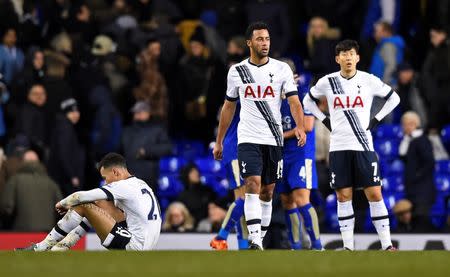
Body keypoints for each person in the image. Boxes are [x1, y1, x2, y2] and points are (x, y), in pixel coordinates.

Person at [213, 22, 307, 250]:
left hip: (273, 139)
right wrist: (220, 140)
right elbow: (228, 107)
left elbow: (294, 101)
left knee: (268, 191)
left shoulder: (282, 69)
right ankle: (255, 239)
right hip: (248, 138)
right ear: (249, 43)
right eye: (259, 39)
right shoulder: (237, 71)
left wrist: (300, 127)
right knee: (252, 184)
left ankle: (259, 238)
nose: (264, 43)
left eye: (267, 39)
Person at [303, 39, 400, 251]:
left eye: (351, 54)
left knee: (375, 194)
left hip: (364, 146)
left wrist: (375, 119)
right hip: (338, 148)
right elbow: (307, 101)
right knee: (343, 196)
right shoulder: (327, 82)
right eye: (344, 54)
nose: (348, 58)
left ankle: (387, 245)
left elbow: (394, 99)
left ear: (358, 57)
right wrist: (325, 119)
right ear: (337, 59)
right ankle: (348, 247)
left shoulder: (368, 80)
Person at [17, 153, 161, 251]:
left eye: (106, 177)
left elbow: (80, 196)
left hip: (134, 246)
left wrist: (63, 203)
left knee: (84, 205)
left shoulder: (123, 186)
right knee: (99, 204)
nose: (106, 182)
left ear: (116, 172)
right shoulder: (141, 184)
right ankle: (59, 249)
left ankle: (41, 248)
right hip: (147, 244)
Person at [277, 66, 323, 250]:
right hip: (281, 155)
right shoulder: (273, 99)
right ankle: (295, 246)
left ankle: (318, 245)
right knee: (287, 200)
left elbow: (308, 125)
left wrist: (280, 135)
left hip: (300, 153)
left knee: (301, 198)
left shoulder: (303, 95)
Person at [0, 150, 62, 231]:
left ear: (23, 162)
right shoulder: (51, 183)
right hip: (46, 234)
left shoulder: (15, 180)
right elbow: (62, 208)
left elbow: (6, 208)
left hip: (21, 232)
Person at [121, 101, 172, 191]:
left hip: (148, 175)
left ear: (147, 113)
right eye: (135, 113)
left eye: (140, 112)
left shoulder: (157, 129)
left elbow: (167, 148)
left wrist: (146, 151)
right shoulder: (127, 131)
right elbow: (120, 149)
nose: (137, 115)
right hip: (129, 175)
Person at [399, 111, 435, 228]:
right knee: (413, 219)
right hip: (412, 189)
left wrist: (416, 176)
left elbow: (429, 162)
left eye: (408, 124)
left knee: (421, 218)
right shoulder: (409, 140)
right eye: (404, 124)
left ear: (415, 124)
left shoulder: (422, 140)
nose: (405, 127)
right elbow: (403, 156)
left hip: (423, 189)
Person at [47, 98, 85, 196]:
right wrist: (72, 176)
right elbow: (64, 153)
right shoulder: (65, 128)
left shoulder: (63, 125)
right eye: (72, 112)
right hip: (65, 179)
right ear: (66, 114)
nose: (76, 114)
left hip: (62, 176)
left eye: (77, 111)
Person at [369, 21, 405, 86]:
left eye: (377, 31)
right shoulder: (384, 44)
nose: (374, 34)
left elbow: (391, 66)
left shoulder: (388, 45)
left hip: (385, 86)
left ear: (386, 32)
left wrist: (383, 85)